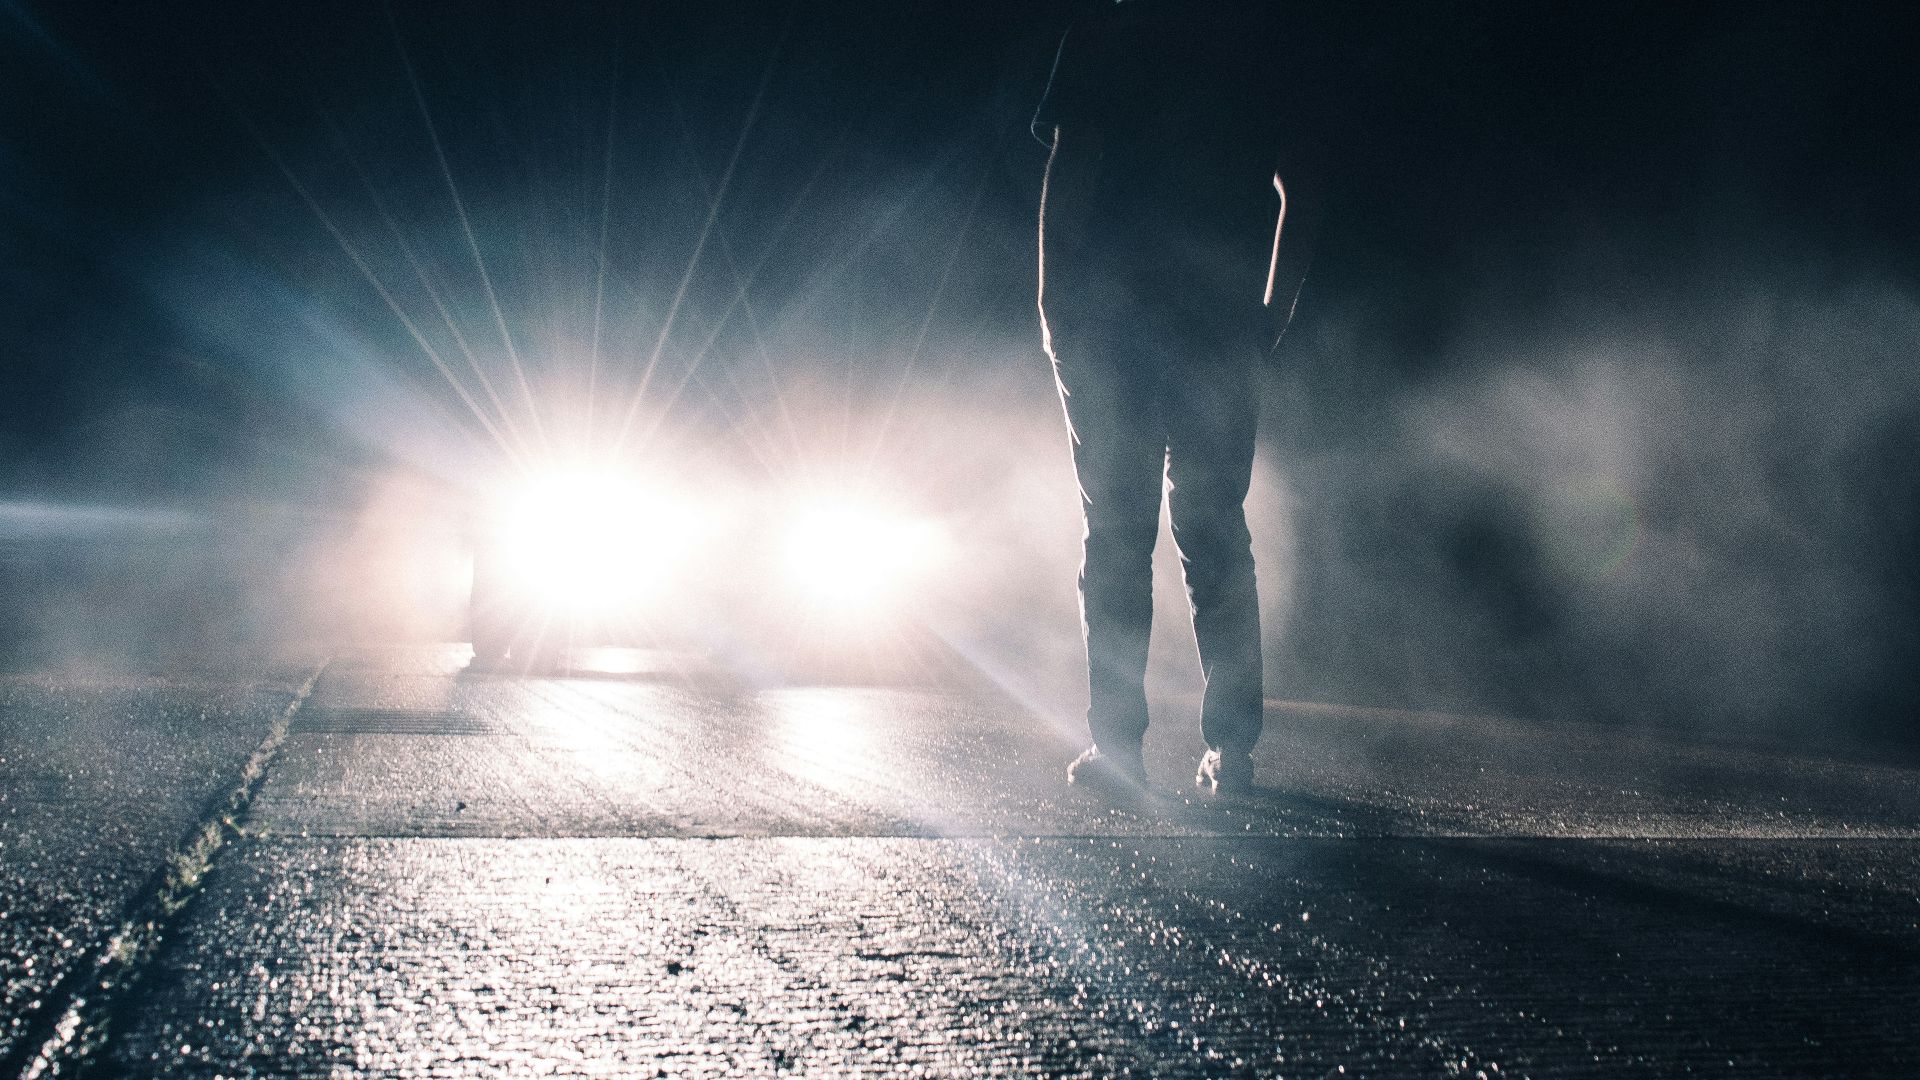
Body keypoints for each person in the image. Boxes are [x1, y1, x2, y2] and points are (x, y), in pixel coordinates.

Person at [1035, 0, 1322, 795]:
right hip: (1219, 332)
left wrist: (1055, 302)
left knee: (1118, 536)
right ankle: (1232, 751)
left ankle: (1118, 749)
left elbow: (1074, 163)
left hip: (1114, 324)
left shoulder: (1107, 27)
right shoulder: (1264, 37)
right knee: (1215, 535)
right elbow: (1301, 190)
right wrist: (1269, 319)